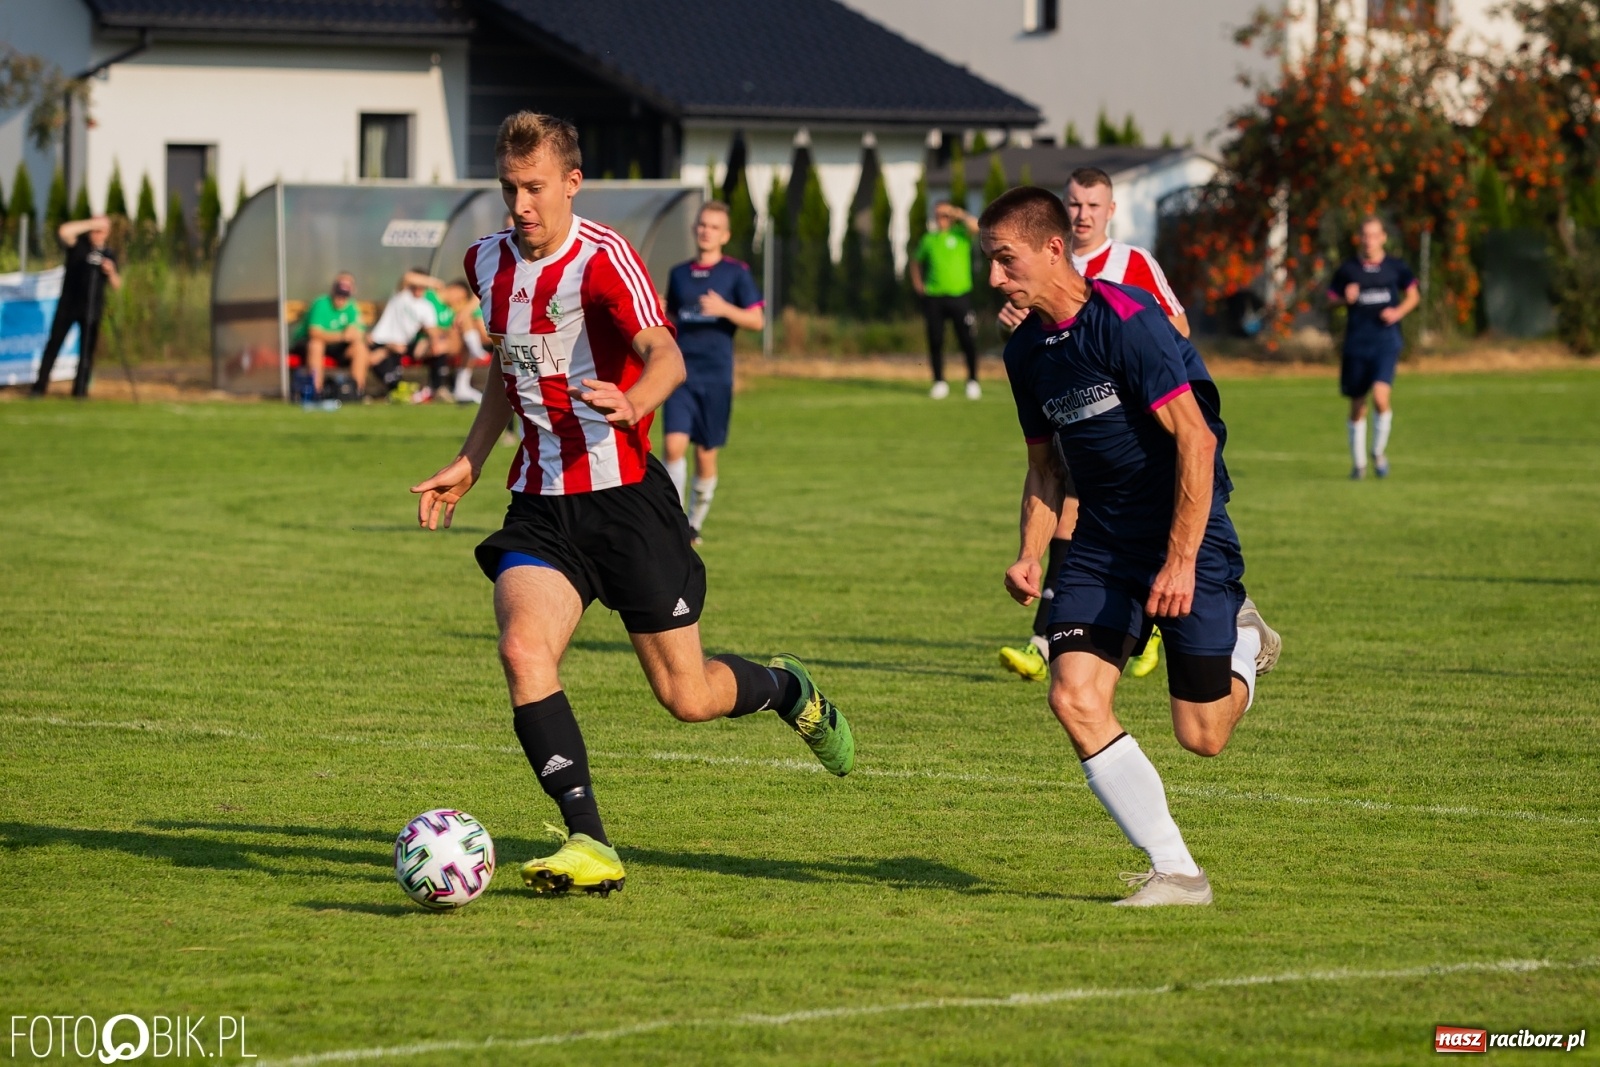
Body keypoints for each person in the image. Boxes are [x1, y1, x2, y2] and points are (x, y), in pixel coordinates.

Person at [410, 111, 856, 897]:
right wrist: (471, 460)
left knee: (687, 696)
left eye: (535, 188)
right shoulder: (487, 263)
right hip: (541, 505)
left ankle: (787, 687)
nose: (521, 205)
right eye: (509, 188)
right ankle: (589, 838)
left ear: (572, 183)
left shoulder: (604, 258)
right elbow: (505, 373)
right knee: (523, 650)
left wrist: (632, 402)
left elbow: (666, 354)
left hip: (624, 500)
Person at [981, 186, 1281, 906]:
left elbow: (1197, 440)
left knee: (1201, 734)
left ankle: (1244, 638)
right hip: (1100, 540)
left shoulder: (1127, 321)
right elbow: (1045, 464)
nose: (994, 278)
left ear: (1052, 248)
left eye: (1004, 259)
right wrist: (1029, 550)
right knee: (1074, 695)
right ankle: (1178, 872)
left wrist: (1180, 561)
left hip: (1188, 531)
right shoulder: (1025, 351)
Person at [997, 170, 1188, 686]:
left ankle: (1143, 623)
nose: (1083, 213)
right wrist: (1025, 322)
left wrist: (1121, 342)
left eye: (1093, 205)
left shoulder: (1132, 265)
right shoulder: (1039, 264)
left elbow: (1176, 328)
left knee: (1087, 518)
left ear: (1110, 210)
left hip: (1127, 417)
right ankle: (1051, 638)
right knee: (1065, 512)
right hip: (1067, 401)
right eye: (1075, 203)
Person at [662, 201, 764, 543]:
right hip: (679, 374)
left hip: (716, 376)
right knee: (672, 447)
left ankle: (694, 523)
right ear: (695, 229)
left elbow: (757, 320)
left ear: (726, 235)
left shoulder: (736, 273)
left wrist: (725, 309)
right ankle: (674, 523)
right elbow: (672, 319)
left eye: (714, 227)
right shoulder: (678, 273)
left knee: (705, 456)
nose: (706, 231)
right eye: (702, 225)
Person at [1329, 216, 1418, 479]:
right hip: (1356, 344)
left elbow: (1414, 295)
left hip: (1385, 342)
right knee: (1358, 405)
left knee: (1381, 397)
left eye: (1374, 235)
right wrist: (1345, 299)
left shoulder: (1395, 267)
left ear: (1383, 238)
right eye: (1365, 235)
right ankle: (1359, 465)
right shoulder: (1348, 270)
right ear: (1360, 238)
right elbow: (1330, 299)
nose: (1369, 240)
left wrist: (1398, 311)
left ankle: (1378, 452)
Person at [30, 216, 121, 398]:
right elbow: (63, 231)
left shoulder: (109, 254)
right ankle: (39, 388)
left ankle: (80, 391)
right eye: (95, 230)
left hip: (92, 309)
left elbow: (117, 285)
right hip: (69, 306)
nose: (97, 234)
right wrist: (92, 223)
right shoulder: (78, 245)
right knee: (54, 345)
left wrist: (111, 272)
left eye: (101, 230)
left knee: (87, 352)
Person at [911, 199, 982, 400]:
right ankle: (939, 381)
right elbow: (916, 261)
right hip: (935, 298)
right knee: (935, 340)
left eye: (944, 215)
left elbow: (977, 227)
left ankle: (972, 381)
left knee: (967, 339)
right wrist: (919, 284)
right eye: (938, 215)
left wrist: (957, 212)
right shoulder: (929, 239)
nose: (941, 219)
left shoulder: (961, 235)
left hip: (960, 296)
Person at [368, 268, 449, 397]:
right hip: (383, 343)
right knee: (392, 380)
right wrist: (435, 283)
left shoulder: (426, 306)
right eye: (416, 285)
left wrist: (431, 342)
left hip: (403, 346)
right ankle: (396, 392)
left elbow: (432, 330)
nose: (418, 289)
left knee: (440, 348)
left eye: (422, 286)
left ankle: (437, 389)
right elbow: (407, 277)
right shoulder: (401, 296)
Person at [291, 272, 372, 397]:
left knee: (360, 349)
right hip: (307, 345)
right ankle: (316, 390)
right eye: (339, 294)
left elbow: (359, 332)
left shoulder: (352, 307)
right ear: (333, 290)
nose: (341, 299)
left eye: (345, 295)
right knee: (316, 345)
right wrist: (342, 336)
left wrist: (356, 334)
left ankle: (356, 392)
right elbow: (314, 333)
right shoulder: (321, 303)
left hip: (336, 348)